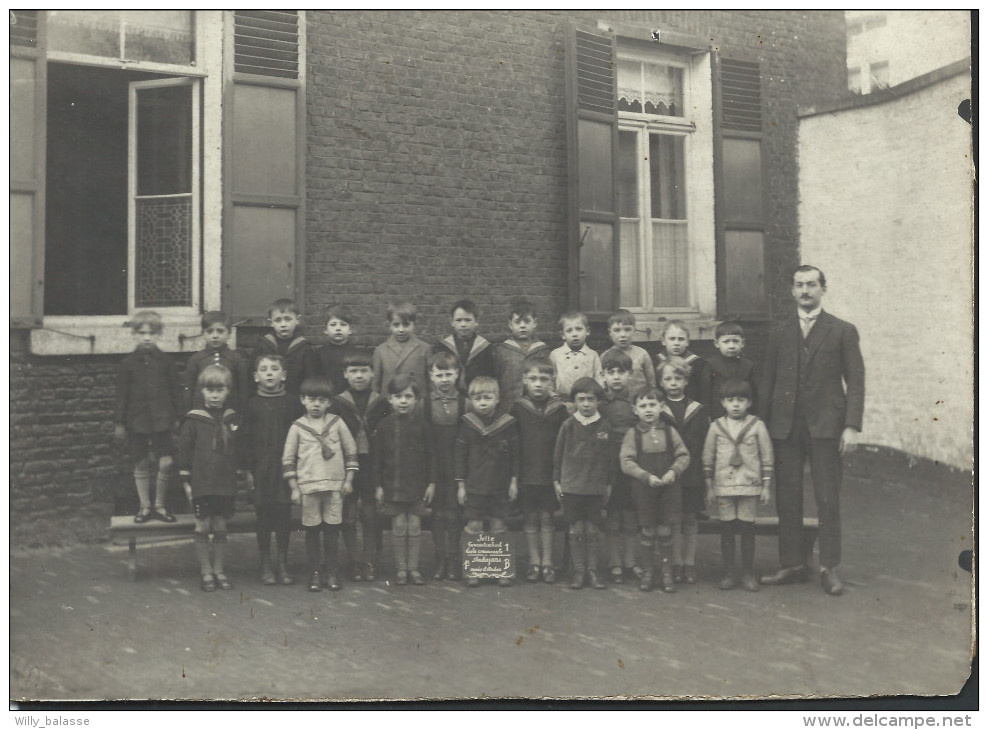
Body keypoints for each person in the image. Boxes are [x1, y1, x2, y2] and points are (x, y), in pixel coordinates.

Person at [759, 265, 864, 596]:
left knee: (827, 498)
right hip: (784, 427)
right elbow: (767, 381)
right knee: (787, 497)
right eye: (799, 285)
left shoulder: (843, 331)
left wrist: (850, 426)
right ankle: (791, 563)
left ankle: (829, 567)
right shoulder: (779, 331)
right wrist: (762, 427)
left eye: (811, 284)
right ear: (792, 290)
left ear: (823, 289)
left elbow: (856, 381)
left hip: (827, 427)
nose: (805, 290)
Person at [282, 376, 359, 592]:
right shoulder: (297, 427)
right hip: (309, 487)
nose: (316, 404)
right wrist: (294, 488)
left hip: (335, 486)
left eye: (322, 400)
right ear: (303, 400)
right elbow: (288, 459)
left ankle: (331, 572)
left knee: (333, 530)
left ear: (329, 403)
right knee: (313, 531)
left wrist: (349, 480)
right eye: (312, 399)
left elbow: (350, 451)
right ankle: (315, 572)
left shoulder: (337, 423)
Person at [177, 364, 248, 592]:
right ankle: (206, 571)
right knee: (203, 524)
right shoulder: (193, 421)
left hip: (224, 482)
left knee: (219, 524)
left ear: (227, 391)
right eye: (210, 390)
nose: (215, 395)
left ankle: (219, 570)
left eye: (220, 390)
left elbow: (238, 451)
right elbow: (185, 452)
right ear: (202, 391)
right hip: (202, 483)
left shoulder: (232, 419)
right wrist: (187, 482)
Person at [702, 379, 773, 592]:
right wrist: (709, 486)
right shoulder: (716, 427)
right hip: (724, 487)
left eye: (741, 400)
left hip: (749, 486)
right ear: (723, 403)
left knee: (747, 530)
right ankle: (728, 573)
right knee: (727, 530)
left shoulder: (757, 425)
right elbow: (708, 457)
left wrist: (766, 486)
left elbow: (767, 456)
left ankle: (748, 573)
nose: (735, 405)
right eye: (730, 400)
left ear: (749, 403)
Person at [620, 387, 691, 593]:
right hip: (644, 489)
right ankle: (648, 572)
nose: (648, 409)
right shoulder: (633, 434)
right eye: (643, 406)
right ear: (635, 410)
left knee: (666, 530)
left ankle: (666, 573)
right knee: (648, 530)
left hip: (668, 488)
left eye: (653, 405)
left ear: (662, 407)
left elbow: (683, 455)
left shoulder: (670, 432)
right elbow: (626, 461)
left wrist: (673, 471)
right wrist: (646, 476)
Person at [114, 311, 182, 524]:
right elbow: (121, 395)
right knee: (141, 462)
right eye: (141, 333)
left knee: (166, 463)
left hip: (162, 420)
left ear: (158, 335)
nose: (146, 338)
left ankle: (160, 506)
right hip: (137, 421)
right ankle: (144, 506)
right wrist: (120, 423)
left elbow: (175, 391)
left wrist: (178, 417)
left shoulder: (167, 362)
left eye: (151, 333)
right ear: (134, 335)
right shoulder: (128, 364)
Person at [330, 350, 392, 582]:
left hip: (372, 464)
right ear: (345, 374)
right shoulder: (337, 403)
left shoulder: (382, 402)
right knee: (348, 514)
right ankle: (354, 560)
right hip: (346, 466)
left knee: (370, 513)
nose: (359, 376)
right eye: (353, 371)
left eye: (364, 371)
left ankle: (370, 561)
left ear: (373, 373)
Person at [454, 376, 520, 587]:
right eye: (477, 398)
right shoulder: (467, 425)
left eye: (487, 397)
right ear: (471, 400)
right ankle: (474, 568)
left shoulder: (507, 424)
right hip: (475, 486)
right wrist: (461, 485)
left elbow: (516, 457)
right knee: (474, 525)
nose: (482, 402)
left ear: (497, 398)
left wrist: (514, 482)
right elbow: (460, 457)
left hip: (500, 485)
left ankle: (500, 569)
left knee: (499, 525)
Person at [510, 355, 568, 584]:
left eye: (543, 379)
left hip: (550, 474)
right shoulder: (517, 409)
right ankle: (534, 562)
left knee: (547, 518)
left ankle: (548, 563)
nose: (538, 384)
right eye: (533, 378)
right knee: (530, 518)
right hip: (527, 473)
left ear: (552, 380)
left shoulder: (560, 410)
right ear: (524, 380)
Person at [372, 374, 436, 586]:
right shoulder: (384, 426)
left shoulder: (424, 426)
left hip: (417, 485)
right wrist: (379, 486)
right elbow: (377, 459)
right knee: (399, 525)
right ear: (390, 399)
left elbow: (431, 457)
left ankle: (414, 568)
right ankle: (401, 569)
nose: (403, 401)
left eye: (408, 396)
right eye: (398, 396)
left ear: (416, 400)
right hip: (393, 485)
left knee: (415, 525)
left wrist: (432, 483)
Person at [553, 377, 614, 590]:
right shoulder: (568, 425)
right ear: (574, 402)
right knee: (576, 528)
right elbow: (558, 455)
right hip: (572, 486)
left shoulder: (605, 426)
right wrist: (557, 480)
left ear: (598, 402)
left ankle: (593, 570)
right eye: (581, 399)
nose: (586, 404)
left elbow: (610, 458)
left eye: (591, 399)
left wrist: (608, 484)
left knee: (592, 529)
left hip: (595, 486)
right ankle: (578, 570)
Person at [241, 354, 296, 585]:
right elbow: (244, 440)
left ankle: (282, 562)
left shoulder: (293, 403)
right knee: (263, 515)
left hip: (284, 468)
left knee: (284, 514)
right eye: (264, 369)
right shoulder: (251, 405)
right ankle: (265, 563)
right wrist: (247, 471)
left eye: (275, 369)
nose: (269, 373)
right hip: (261, 469)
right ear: (256, 377)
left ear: (283, 374)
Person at [656, 357, 710, 584]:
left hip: (692, 474)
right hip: (668, 473)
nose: (673, 383)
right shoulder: (658, 410)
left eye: (678, 378)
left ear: (686, 381)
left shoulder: (697, 410)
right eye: (668, 378)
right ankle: (676, 562)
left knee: (690, 519)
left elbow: (705, 443)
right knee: (673, 520)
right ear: (661, 382)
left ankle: (689, 563)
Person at [423, 351, 468, 581]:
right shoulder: (425, 403)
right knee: (437, 514)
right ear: (431, 376)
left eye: (449, 374)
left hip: (456, 465)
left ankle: (453, 558)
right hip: (434, 465)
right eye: (439, 374)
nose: (444, 379)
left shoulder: (464, 402)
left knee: (454, 514)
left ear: (457, 374)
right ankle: (440, 558)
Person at [598, 349, 641, 584]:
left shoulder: (636, 401)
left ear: (630, 375)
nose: (616, 377)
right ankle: (614, 563)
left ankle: (631, 562)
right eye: (610, 372)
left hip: (631, 466)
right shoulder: (600, 403)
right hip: (609, 466)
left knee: (631, 517)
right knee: (613, 517)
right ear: (603, 375)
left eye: (621, 372)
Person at [252, 298, 315, 415]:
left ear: (297, 320)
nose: (283, 324)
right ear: (271, 322)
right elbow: (253, 374)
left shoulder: (305, 347)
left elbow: (310, 378)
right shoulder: (263, 345)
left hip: (296, 403)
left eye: (288, 319)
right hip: (267, 401)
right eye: (278, 320)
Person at [182, 311, 249, 414]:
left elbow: (243, 390)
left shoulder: (236, 359)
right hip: (202, 412)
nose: (215, 336)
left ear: (229, 333)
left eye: (220, 331)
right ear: (203, 333)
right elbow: (189, 390)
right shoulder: (196, 359)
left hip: (229, 411)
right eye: (210, 331)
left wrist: (240, 414)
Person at [493, 296, 550, 413]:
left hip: (536, 408)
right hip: (508, 406)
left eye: (527, 321)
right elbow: (496, 380)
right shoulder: (502, 350)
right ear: (510, 325)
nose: (522, 326)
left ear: (535, 323)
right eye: (518, 322)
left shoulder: (542, 350)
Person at [433, 299, 496, 391]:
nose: (463, 324)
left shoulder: (485, 348)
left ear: (476, 321)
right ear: (452, 322)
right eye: (458, 320)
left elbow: (491, 376)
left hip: (478, 395)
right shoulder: (443, 347)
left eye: (468, 320)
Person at [371, 301, 431, 398]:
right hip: (388, 406)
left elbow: (431, 384)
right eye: (396, 325)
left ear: (414, 324)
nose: (401, 329)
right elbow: (375, 386)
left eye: (406, 324)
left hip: (417, 405)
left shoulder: (424, 349)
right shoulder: (381, 351)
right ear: (389, 325)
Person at [702, 321, 757, 419]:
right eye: (726, 341)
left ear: (743, 343)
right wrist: (707, 415)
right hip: (718, 414)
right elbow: (705, 393)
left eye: (736, 341)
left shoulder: (748, 365)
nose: (731, 346)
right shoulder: (710, 364)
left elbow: (753, 393)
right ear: (716, 343)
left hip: (742, 414)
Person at [600, 309, 656, 395]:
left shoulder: (642, 354)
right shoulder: (605, 356)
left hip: (640, 403)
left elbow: (652, 383)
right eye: (617, 330)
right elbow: (602, 384)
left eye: (627, 329)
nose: (623, 335)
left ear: (634, 330)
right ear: (610, 332)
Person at [550, 311, 602, 401]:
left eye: (578, 329)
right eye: (569, 330)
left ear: (588, 331)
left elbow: (599, 380)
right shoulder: (555, 355)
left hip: (586, 402)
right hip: (562, 402)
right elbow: (550, 380)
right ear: (563, 335)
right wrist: (552, 396)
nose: (574, 334)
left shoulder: (593, 355)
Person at [654, 320, 706, 405]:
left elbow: (702, 393)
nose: (676, 343)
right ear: (663, 341)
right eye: (672, 339)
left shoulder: (698, 363)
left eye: (681, 339)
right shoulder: (656, 361)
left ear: (687, 342)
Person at [312, 303, 360, 396]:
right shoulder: (318, 354)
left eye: (343, 324)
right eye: (333, 324)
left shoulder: (356, 354)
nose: (338, 328)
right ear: (325, 329)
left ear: (351, 329)